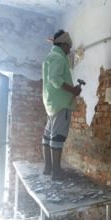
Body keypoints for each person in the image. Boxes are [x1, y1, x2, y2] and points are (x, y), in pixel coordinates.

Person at [42, 30, 81, 180]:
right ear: (63, 44)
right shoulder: (58, 57)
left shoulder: (49, 57)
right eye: (68, 47)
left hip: (51, 102)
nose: (69, 50)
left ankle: (48, 168)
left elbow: (51, 79)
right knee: (57, 137)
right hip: (61, 103)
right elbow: (55, 79)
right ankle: (56, 172)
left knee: (48, 134)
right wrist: (73, 90)